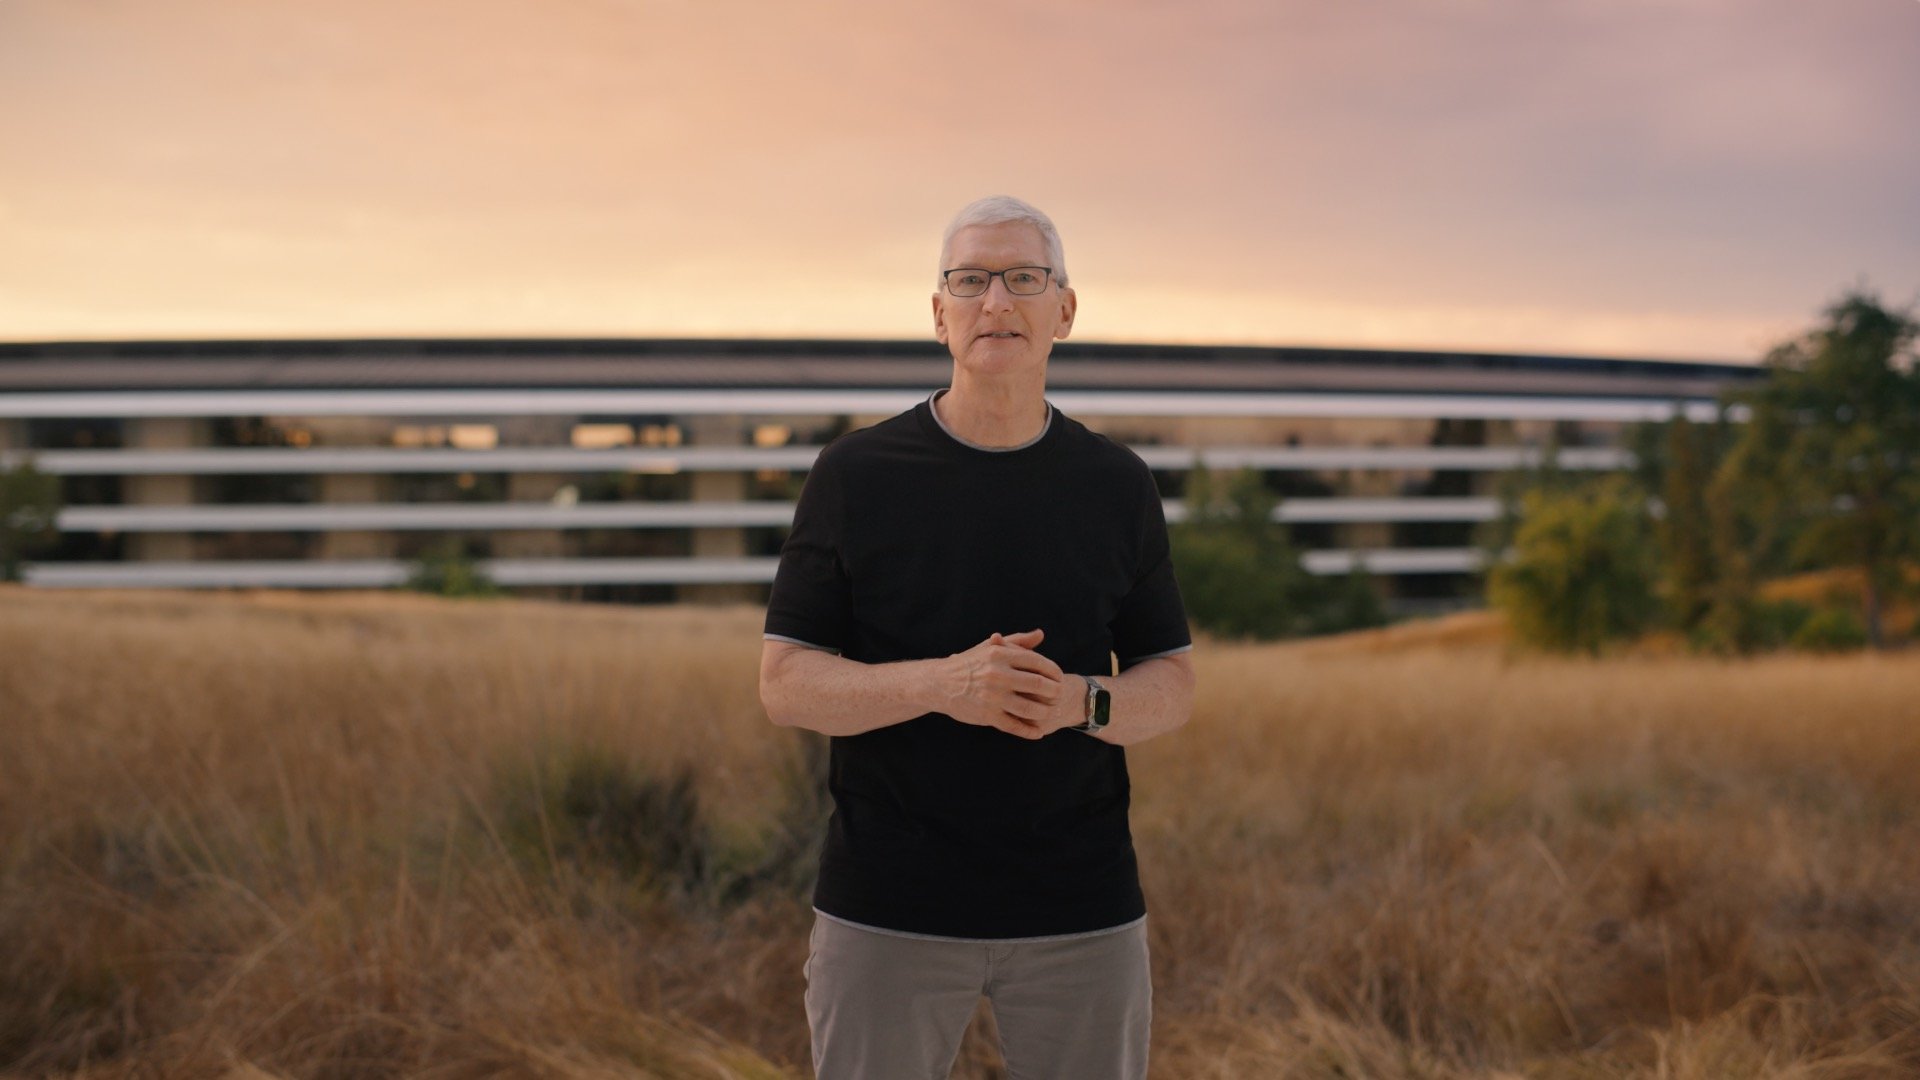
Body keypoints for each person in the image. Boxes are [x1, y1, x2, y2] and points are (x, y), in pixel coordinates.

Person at [759, 194, 1196, 1080]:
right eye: (970, 280)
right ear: (939, 313)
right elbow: (785, 683)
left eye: (1023, 279)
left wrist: (1085, 700)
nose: (995, 301)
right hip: (887, 907)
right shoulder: (854, 475)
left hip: (1082, 910)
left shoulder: (1118, 484)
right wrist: (938, 684)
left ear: (1064, 310)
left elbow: (1172, 681)